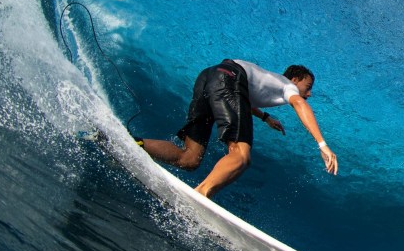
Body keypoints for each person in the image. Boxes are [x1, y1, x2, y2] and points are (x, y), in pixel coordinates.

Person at [138, 59, 337, 199]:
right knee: (241, 155)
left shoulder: (267, 80)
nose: (309, 93)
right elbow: (300, 105)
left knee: (190, 159)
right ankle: (201, 193)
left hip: (209, 76)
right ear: (295, 79)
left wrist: (265, 117)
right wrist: (323, 145)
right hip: (230, 77)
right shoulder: (288, 86)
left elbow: (236, 99)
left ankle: (137, 143)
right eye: (308, 86)